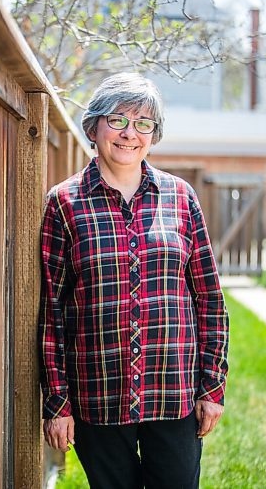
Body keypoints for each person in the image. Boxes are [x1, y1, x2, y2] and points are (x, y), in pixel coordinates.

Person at [38, 72, 229, 489]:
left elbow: (210, 298)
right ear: (94, 127)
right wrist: (57, 402)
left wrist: (212, 387)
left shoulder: (181, 197)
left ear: (154, 134)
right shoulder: (63, 203)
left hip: (174, 392)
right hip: (97, 394)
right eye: (117, 119)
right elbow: (52, 312)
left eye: (143, 123)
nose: (129, 133)